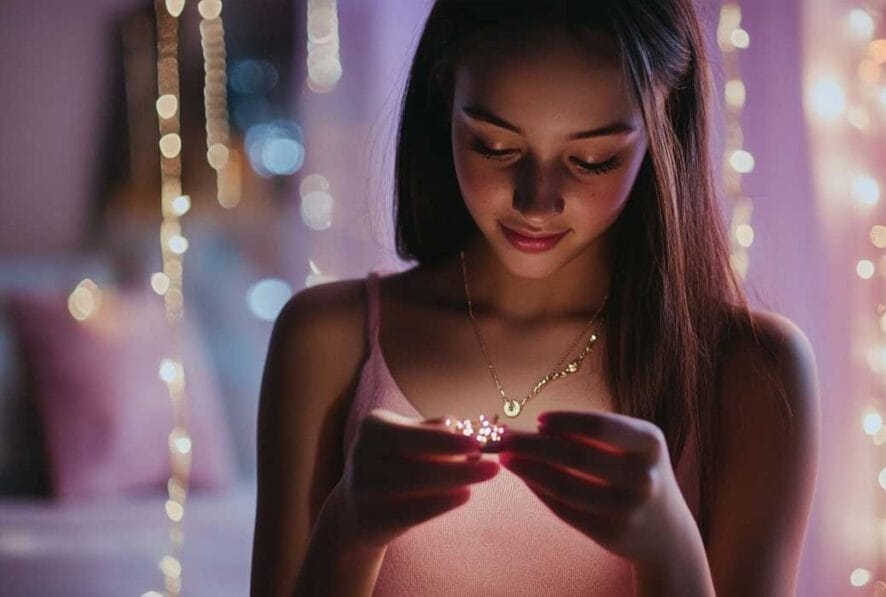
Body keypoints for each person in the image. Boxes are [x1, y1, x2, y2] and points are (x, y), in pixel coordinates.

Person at [250, 1, 820, 595]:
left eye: (592, 160)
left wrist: (670, 550)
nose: (536, 201)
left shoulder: (752, 371)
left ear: (660, 125)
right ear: (444, 95)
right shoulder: (329, 340)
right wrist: (348, 532)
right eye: (496, 147)